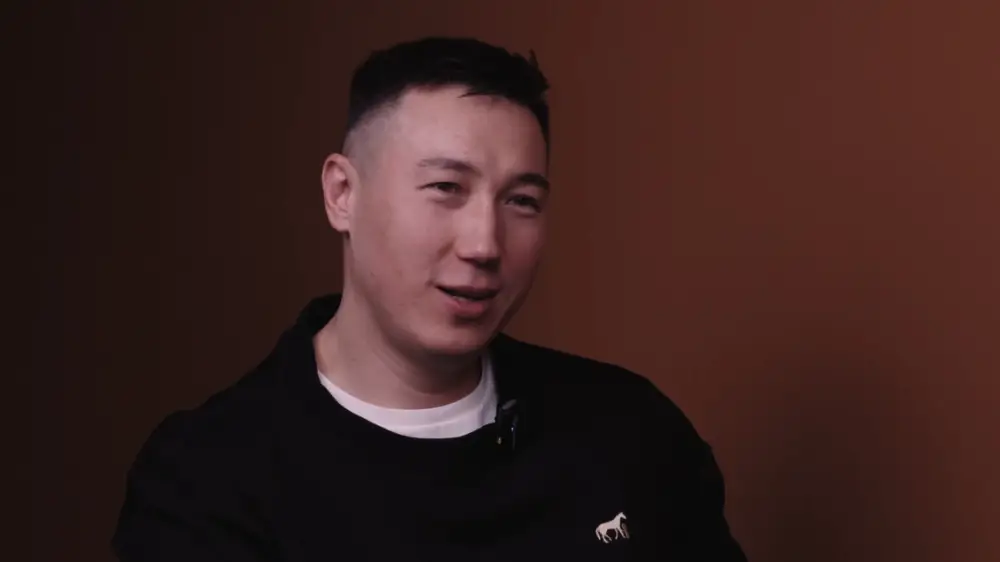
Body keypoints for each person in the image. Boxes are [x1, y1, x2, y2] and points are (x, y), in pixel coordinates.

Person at [111, 36, 747, 561]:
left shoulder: (631, 434)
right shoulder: (206, 480)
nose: (484, 243)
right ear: (342, 194)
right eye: (446, 187)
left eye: (521, 200)